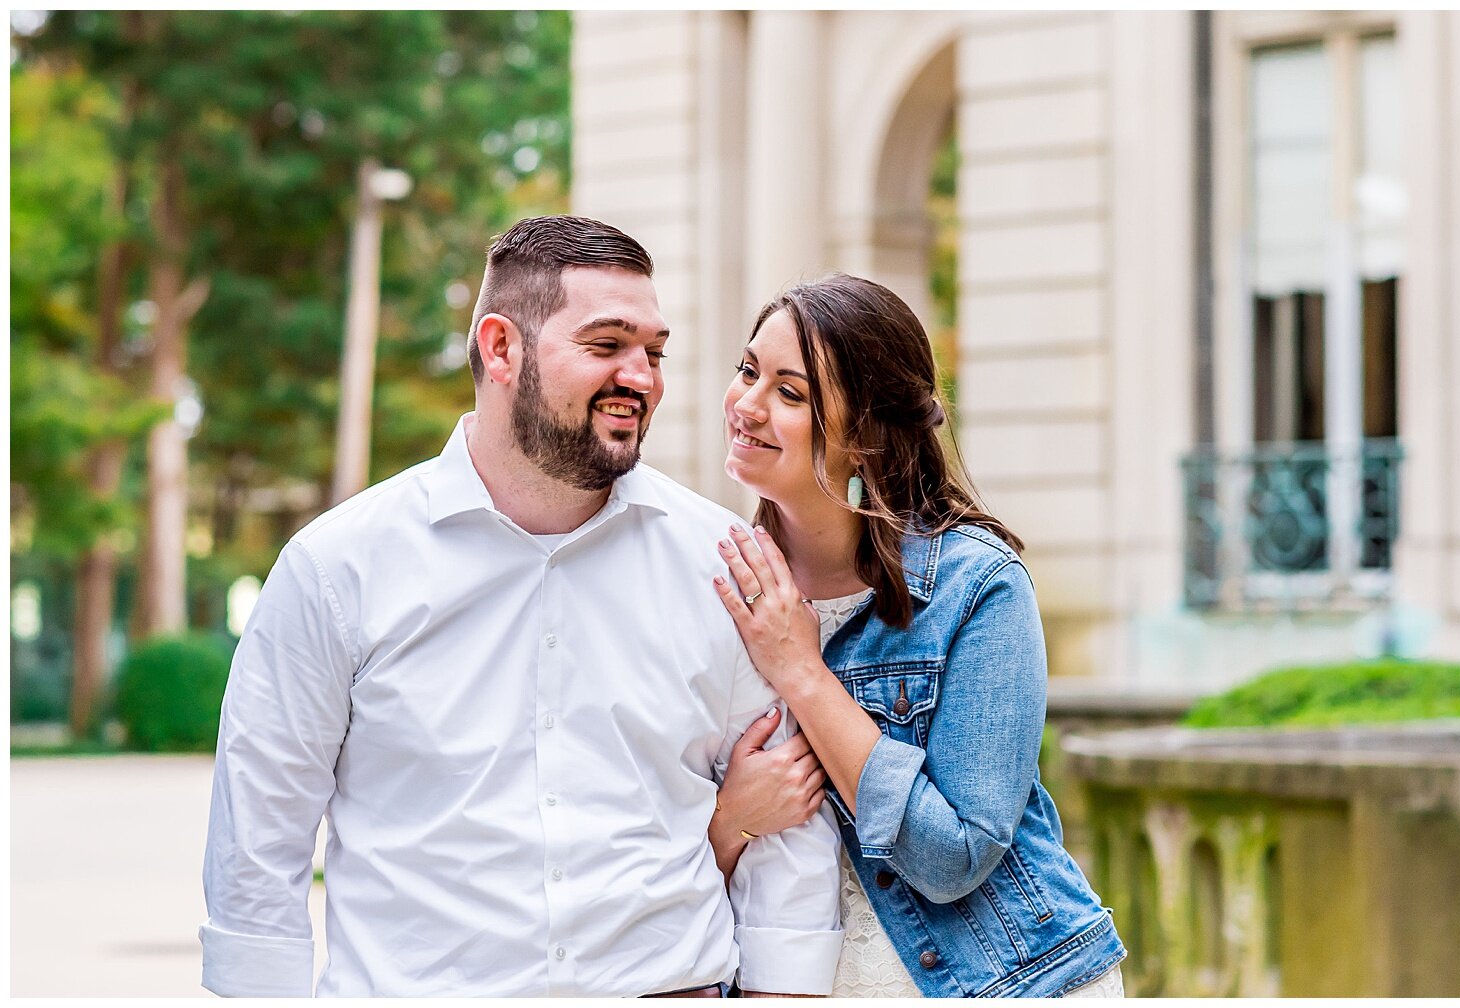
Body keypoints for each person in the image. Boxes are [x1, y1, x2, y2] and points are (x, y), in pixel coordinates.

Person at [198, 216, 842, 997]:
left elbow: (790, 822)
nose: (641, 376)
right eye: (606, 346)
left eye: (654, 352)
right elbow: (260, 836)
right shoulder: (338, 569)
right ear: (502, 349)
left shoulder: (725, 561)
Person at [704, 274, 1127, 997]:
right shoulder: (711, 583)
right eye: (749, 372)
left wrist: (803, 672)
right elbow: (640, 858)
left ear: (863, 438)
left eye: (790, 393)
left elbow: (955, 855)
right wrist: (728, 824)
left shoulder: (976, 586)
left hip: (1006, 983)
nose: (747, 406)